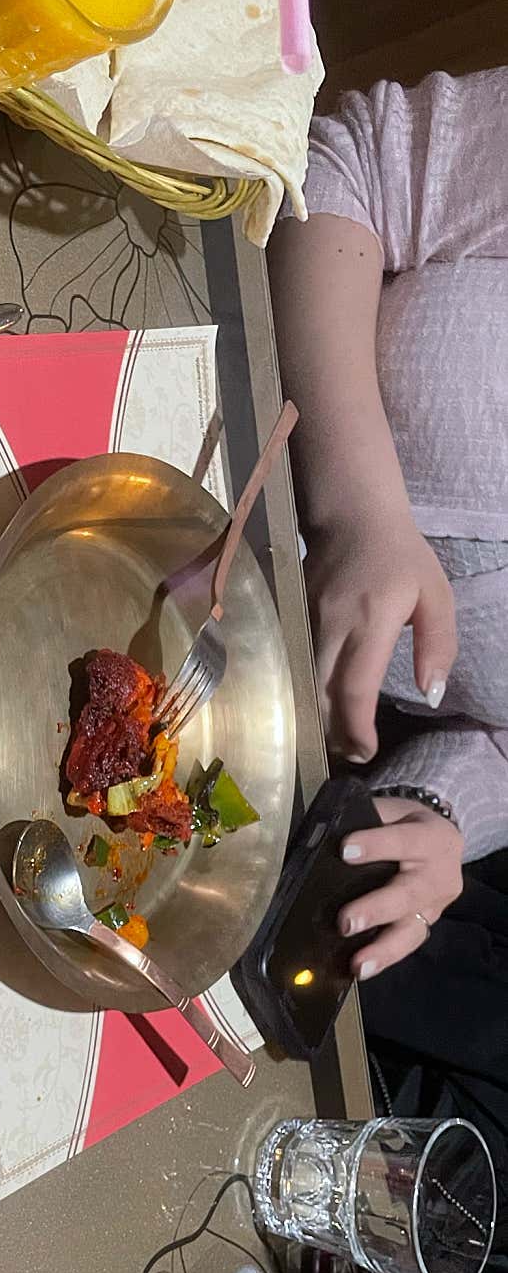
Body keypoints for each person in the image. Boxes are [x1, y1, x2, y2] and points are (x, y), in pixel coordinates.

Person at [268, 68, 508, 981]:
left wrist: (442, 814)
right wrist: (357, 510)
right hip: (164, 367)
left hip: (253, 687)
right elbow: (345, 162)